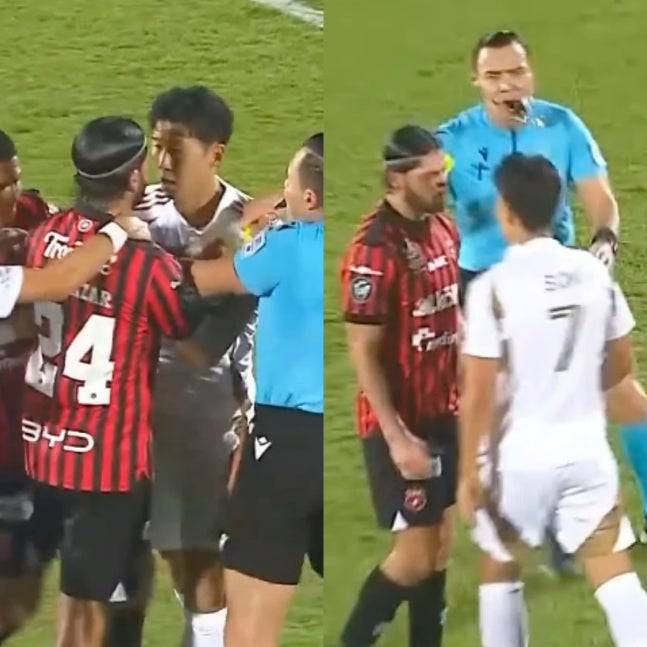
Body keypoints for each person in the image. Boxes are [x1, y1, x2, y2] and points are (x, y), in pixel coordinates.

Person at [435, 28, 647, 556]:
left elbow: (600, 200)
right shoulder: (451, 141)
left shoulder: (562, 126)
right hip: (487, 285)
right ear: (476, 80)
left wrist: (604, 243)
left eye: (516, 72)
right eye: (494, 75)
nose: (507, 84)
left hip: (559, 275)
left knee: (620, 389)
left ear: (530, 73)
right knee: (503, 405)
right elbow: (424, 205)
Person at [20, 116, 204, 647]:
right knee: (87, 609)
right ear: (133, 177)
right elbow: (184, 322)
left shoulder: (45, 235)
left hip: (43, 447)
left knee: (102, 584)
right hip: (106, 463)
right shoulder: (147, 264)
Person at [459, 153, 647, 647]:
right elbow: (621, 362)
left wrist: (466, 472)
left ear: (505, 210)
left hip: (516, 460)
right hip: (585, 451)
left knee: (500, 569)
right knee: (614, 572)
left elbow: (477, 391)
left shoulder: (492, 288)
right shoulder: (592, 273)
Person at [187, 133, 323, 647]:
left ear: (308, 195)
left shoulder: (286, 248)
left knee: (248, 630)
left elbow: (201, 279)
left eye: (288, 180)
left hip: (287, 444)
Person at [133, 85, 256, 647]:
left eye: (175, 148)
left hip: (212, 413)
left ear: (215, 153)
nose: (162, 161)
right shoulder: (137, 211)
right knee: (174, 555)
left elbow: (223, 338)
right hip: (138, 413)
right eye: (156, 146)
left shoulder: (246, 227)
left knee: (202, 555)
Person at [338, 125, 458, 647]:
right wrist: (396, 438)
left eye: (443, 170)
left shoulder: (443, 228)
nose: (442, 182)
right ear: (396, 179)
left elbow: (454, 312)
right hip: (401, 423)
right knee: (413, 557)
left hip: (445, 412)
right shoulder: (373, 250)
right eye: (430, 175)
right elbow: (363, 351)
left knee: (439, 547)